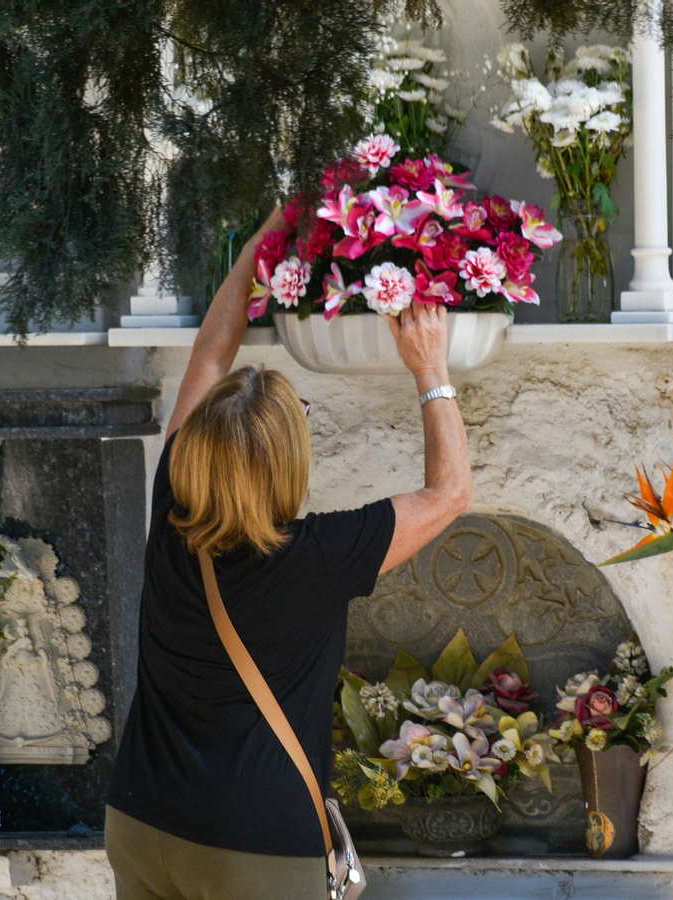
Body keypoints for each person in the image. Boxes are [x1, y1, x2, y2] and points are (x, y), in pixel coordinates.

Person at [105, 207, 472, 900]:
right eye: (298, 413)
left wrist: (268, 235)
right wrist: (430, 368)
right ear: (285, 465)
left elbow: (212, 352)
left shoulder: (176, 498)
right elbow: (451, 494)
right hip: (251, 847)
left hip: (141, 819)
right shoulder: (317, 557)